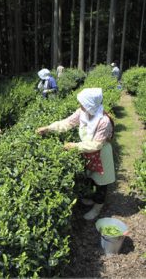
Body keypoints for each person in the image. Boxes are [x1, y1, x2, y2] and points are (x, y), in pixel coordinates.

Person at [36, 88, 115, 220]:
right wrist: (48, 128)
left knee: (101, 183)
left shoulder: (103, 121)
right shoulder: (82, 112)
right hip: (87, 151)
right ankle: (92, 199)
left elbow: (96, 145)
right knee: (91, 179)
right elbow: (67, 123)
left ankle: (97, 208)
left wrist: (75, 146)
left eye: (83, 104)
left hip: (101, 154)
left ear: (91, 105)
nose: (80, 106)